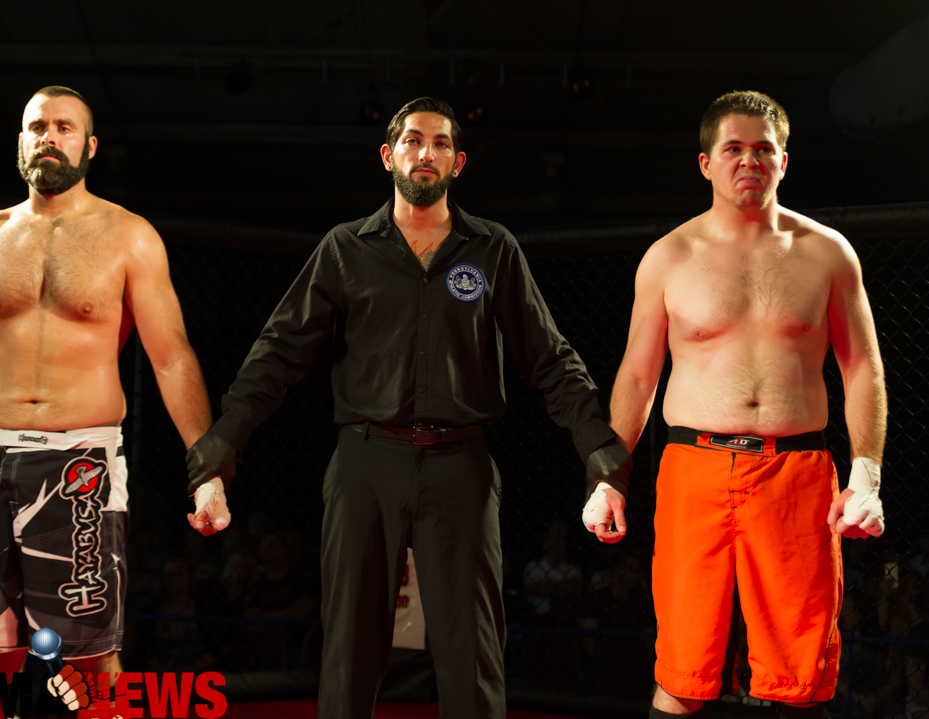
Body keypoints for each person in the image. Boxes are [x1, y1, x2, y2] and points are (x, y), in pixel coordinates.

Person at [185, 96, 630, 718]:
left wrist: (603, 464)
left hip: (461, 463)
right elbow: (276, 356)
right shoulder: (345, 249)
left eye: (441, 143)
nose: (427, 152)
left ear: (458, 162)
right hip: (366, 459)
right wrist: (214, 458)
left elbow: (551, 361)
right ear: (388, 155)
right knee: (349, 649)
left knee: (472, 651)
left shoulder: (492, 249)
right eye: (414, 140)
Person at [0, 86, 232, 689]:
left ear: (90, 146)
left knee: (89, 654)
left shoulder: (129, 236)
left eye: (64, 127)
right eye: (37, 127)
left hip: (80, 459)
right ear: (21, 142)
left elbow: (171, 358)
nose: (49, 137)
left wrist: (204, 467)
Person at [596, 90, 887, 719]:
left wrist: (866, 472)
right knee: (682, 667)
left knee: (799, 677)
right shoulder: (668, 257)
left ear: (784, 160)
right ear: (706, 163)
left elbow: (862, 366)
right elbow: (638, 376)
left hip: (796, 473)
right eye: (733, 149)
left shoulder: (828, 253)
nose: (748, 161)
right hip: (693, 471)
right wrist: (608, 475)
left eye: (763, 149)